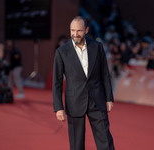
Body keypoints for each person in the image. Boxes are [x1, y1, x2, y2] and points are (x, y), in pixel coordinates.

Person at [53, 16, 115, 150]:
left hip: (97, 101)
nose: (75, 34)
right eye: (72, 30)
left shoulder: (97, 47)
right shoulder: (61, 52)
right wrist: (58, 107)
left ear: (86, 30)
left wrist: (109, 98)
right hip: (74, 102)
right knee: (76, 145)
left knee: (106, 141)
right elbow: (57, 82)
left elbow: (105, 74)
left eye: (79, 31)